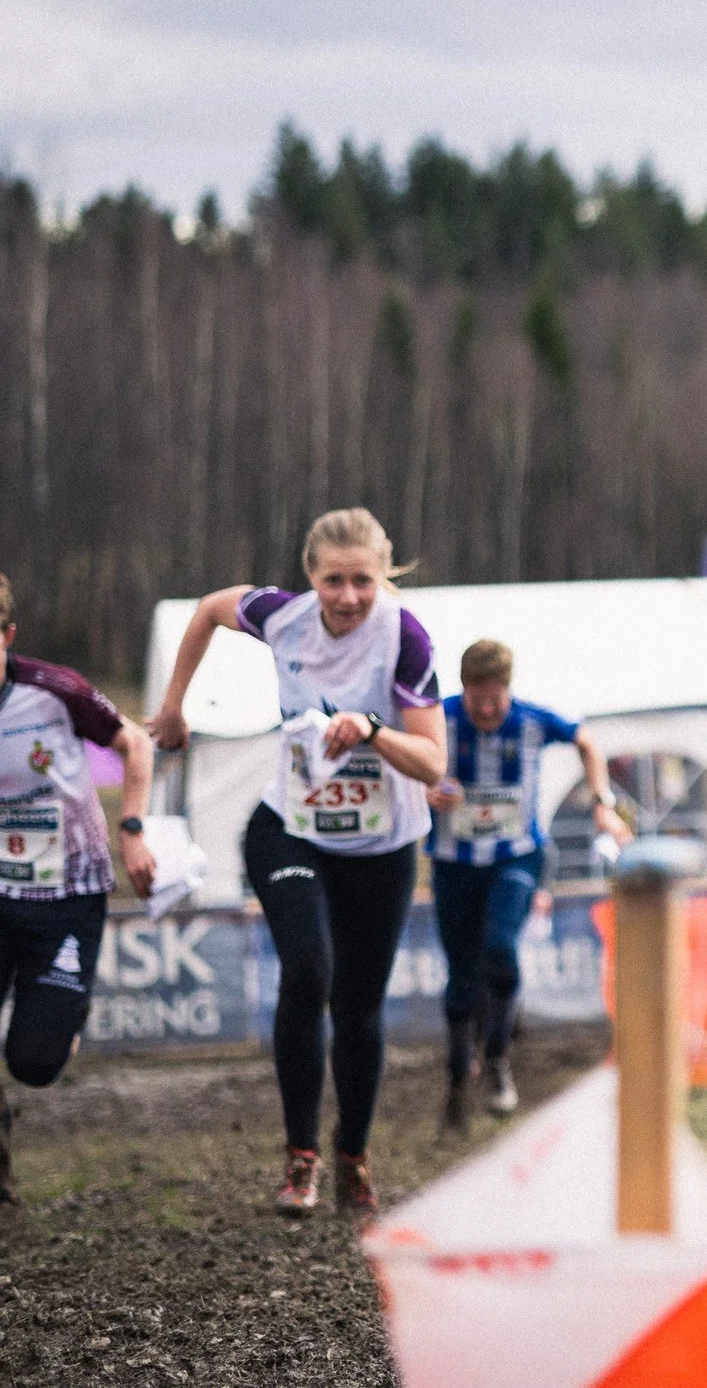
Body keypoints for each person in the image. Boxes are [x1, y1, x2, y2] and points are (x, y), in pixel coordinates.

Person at [148, 509, 447, 1216]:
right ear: (310, 577)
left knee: (359, 1006)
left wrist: (373, 731)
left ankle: (353, 1154)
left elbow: (434, 761)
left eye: (362, 581)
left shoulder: (405, 637)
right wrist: (172, 706)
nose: (347, 597)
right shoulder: (282, 617)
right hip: (292, 827)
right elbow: (210, 609)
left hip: (381, 842)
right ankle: (300, 1157)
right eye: (333, 580)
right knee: (308, 967)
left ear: (384, 575)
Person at [0, 572, 156, 1205]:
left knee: (33, 1064)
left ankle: (64, 1014)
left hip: (68, 890)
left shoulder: (55, 691)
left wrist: (135, 830)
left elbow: (135, 744)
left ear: (7, 636)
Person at [427, 639, 626, 1131]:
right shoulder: (441, 718)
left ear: (508, 689)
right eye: (479, 699)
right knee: (460, 977)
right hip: (453, 862)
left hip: (516, 856)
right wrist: (425, 789)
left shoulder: (534, 721)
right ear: (464, 690)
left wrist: (602, 799)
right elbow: (403, 757)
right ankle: (456, 1079)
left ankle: (497, 1058)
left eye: (496, 698)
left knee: (499, 948)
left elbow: (587, 740)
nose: (488, 710)